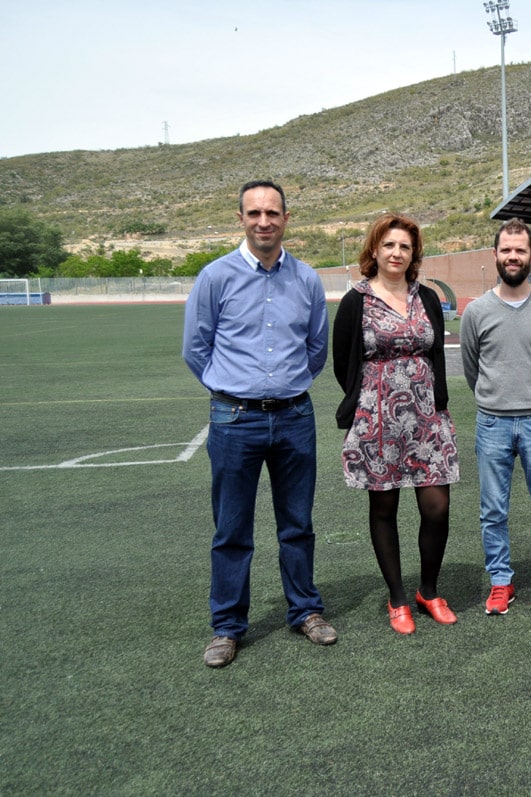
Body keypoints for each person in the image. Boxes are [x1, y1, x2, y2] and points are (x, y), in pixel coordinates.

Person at [183, 179, 336, 668]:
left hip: (294, 417)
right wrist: (232, 388)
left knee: (297, 524)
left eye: (272, 213)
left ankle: (305, 611)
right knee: (231, 529)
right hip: (234, 419)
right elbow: (196, 348)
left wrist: (284, 387)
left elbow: (316, 351)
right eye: (254, 213)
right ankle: (227, 626)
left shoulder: (308, 280)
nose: (263, 221)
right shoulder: (215, 277)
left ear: (286, 218)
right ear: (241, 219)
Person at [332, 213, 460, 636]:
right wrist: (366, 400)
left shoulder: (425, 297)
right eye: (389, 245)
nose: (396, 253)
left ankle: (428, 590)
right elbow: (343, 361)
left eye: (404, 246)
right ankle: (397, 598)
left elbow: (436, 353)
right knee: (384, 506)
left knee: (436, 505)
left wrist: (438, 406)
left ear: (413, 254)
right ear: (374, 250)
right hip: (378, 416)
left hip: (426, 416)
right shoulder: (357, 300)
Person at [460, 218, 531, 618]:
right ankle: (500, 581)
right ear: (495, 254)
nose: (512, 256)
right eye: (506, 250)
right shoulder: (476, 312)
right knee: (493, 509)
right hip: (492, 423)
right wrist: (497, 399)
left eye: (520, 250)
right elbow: (472, 369)